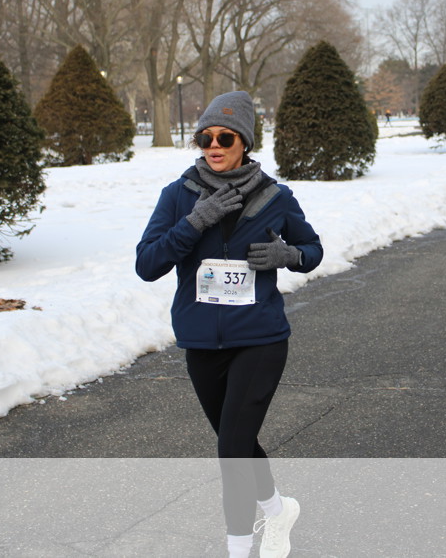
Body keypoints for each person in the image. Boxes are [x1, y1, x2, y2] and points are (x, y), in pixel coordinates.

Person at [135, 91, 323, 558]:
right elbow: (147, 264)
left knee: (232, 448)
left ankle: (239, 549)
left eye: (225, 137)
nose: (213, 146)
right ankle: (278, 510)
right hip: (202, 342)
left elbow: (313, 250)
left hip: (260, 338)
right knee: (235, 441)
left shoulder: (275, 196)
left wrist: (287, 254)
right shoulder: (178, 196)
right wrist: (193, 223)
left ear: (245, 142)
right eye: (205, 138)